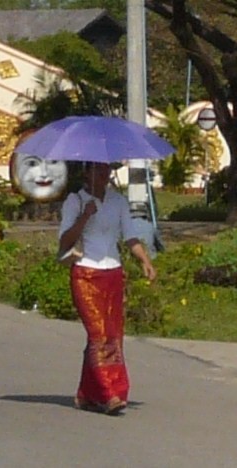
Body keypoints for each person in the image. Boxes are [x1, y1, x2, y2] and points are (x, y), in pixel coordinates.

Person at [58, 162, 156, 416]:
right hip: (85, 273)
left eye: (107, 171)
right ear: (86, 172)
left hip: (112, 272)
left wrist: (145, 261)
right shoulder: (75, 201)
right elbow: (65, 240)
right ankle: (108, 393)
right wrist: (85, 215)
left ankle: (87, 394)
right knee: (98, 333)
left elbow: (130, 237)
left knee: (112, 335)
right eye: (98, 171)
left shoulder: (118, 202)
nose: (104, 176)